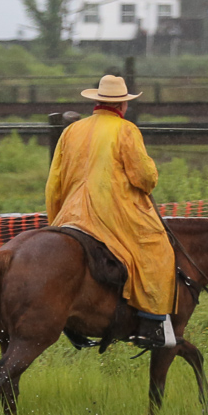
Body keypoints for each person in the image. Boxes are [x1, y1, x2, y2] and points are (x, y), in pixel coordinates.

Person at [45, 75, 177, 349]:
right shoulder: (126, 130)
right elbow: (144, 178)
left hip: (70, 214)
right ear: (123, 105)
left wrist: (56, 221)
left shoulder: (71, 131)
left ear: (96, 101)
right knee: (158, 248)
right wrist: (153, 172)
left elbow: (53, 182)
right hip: (111, 212)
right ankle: (151, 322)